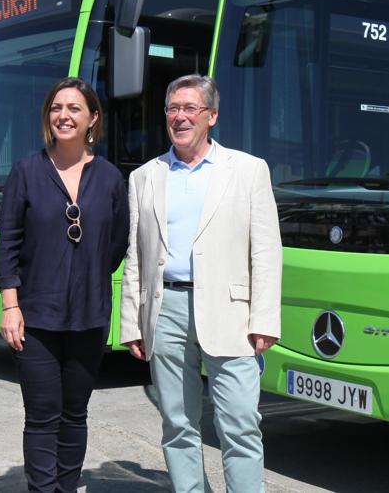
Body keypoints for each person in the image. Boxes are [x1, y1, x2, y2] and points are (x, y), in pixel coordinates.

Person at [120, 74, 282, 493]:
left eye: (190, 109)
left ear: (212, 115)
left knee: (241, 425)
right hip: (166, 309)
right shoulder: (145, 177)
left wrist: (264, 317)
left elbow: (265, 251)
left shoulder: (248, 170)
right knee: (177, 423)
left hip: (232, 313)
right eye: (173, 108)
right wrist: (132, 323)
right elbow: (136, 256)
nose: (179, 117)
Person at [0, 77, 129, 492]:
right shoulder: (27, 171)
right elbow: (9, 243)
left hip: (89, 317)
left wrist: (85, 277)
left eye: (74, 108)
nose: (64, 116)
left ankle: (66, 488)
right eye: (56, 108)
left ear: (92, 119)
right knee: (41, 415)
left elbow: (116, 245)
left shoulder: (109, 177)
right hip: (35, 318)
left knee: (75, 413)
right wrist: (10, 305)